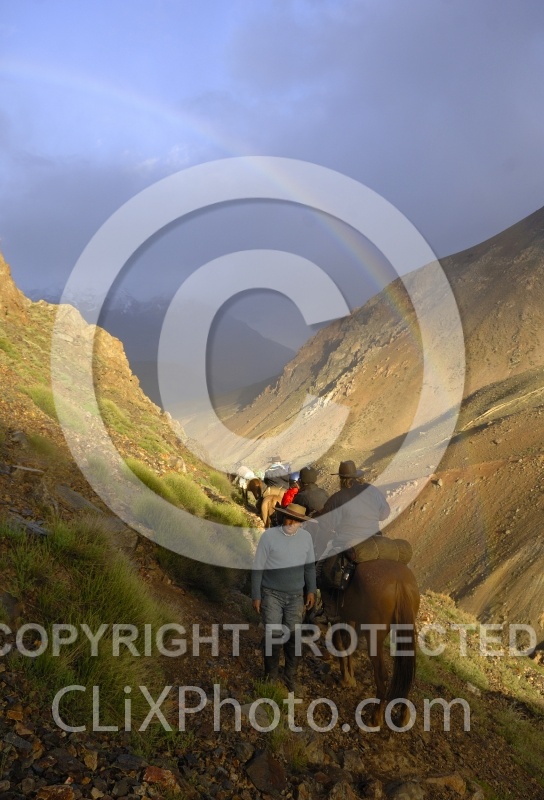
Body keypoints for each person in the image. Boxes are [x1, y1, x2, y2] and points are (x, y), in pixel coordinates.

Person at [252, 503, 317, 692]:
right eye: (289, 518)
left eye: (296, 520)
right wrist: (256, 594)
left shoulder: (306, 538)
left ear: (301, 523)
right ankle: (270, 677)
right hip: (271, 593)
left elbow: (309, 567)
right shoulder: (269, 536)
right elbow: (258, 566)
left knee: (293, 638)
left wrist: (311, 590)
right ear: (283, 517)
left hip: (295, 596)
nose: (291, 523)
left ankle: (290, 676)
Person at [316, 460, 390, 558]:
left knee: (322, 563)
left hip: (347, 544)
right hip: (375, 540)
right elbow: (385, 514)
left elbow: (325, 524)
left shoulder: (337, 498)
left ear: (341, 479)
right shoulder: (372, 490)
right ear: (357, 476)